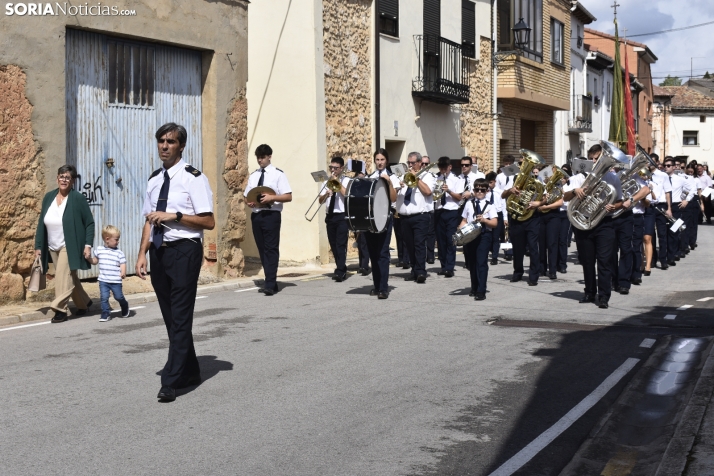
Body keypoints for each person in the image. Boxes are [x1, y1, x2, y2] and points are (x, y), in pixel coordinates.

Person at [136, 123, 215, 403]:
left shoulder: (193, 178)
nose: (164, 146)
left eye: (170, 141)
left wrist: (176, 216)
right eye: (161, 141)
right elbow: (149, 219)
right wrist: (142, 253)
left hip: (184, 250)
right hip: (159, 252)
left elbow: (208, 221)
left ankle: (171, 380)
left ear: (181, 146)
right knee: (171, 318)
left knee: (181, 316)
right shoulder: (154, 179)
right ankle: (191, 370)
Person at [563, 144, 623, 309]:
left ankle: (604, 296)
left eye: (598, 159)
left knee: (604, 261)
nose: (595, 162)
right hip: (583, 223)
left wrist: (614, 207)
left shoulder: (613, 178)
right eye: (592, 159)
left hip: (605, 223)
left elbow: (620, 201)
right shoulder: (580, 178)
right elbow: (565, 197)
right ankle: (589, 292)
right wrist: (576, 191)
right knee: (587, 261)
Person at [34, 164, 95, 323]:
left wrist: (88, 244)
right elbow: (41, 223)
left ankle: (60, 309)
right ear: (57, 178)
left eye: (68, 177)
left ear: (73, 181)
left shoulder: (77, 198)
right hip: (52, 246)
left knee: (62, 276)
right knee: (70, 277)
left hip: (71, 245)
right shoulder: (49, 197)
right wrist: (38, 247)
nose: (64, 180)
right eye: (61, 176)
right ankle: (84, 303)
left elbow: (89, 223)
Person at [245, 144, 293, 295]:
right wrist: (249, 202)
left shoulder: (278, 174)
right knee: (262, 249)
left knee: (271, 248)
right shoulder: (254, 175)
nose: (260, 161)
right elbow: (247, 195)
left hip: (271, 215)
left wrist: (272, 197)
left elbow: (288, 196)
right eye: (258, 158)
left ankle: (270, 283)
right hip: (257, 214)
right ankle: (270, 279)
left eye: (262, 157)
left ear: (269, 157)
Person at [501, 158, 543, 286]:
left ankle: (533, 276)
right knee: (518, 248)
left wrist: (538, 203)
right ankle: (517, 272)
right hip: (517, 218)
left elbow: (545, 198)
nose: (522, 166)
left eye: (524, 164)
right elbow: (503, 195)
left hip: (532, 218)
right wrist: (510, 191)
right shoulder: (515, 180)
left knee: (533, 247)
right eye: (521, 164)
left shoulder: (538, 181)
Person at [397, 151, 436, 283]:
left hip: (421, 216)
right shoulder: (403, 176)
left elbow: (428, 192)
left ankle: (421, 272)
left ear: (419, 163)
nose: (410, 165)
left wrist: (416, 178)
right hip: (405, 217)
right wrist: (399, 186)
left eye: (413, 163)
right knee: (409, 245)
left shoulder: (428, 176)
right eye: (409, 163)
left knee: (419, 244)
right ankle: (414, 270)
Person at [365, 149, 398, 298]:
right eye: (377, 160)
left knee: (383, 253)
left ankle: (384, 288)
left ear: (387, 161)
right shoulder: (370, 177)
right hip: (372, 219)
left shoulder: (392, 177)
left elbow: (394, 198)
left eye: (382, 160)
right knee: (373, 253)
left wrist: (389, 183)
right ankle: (376, 286)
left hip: (385, 217)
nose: (379, 162)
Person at [458, 178, 497, 300]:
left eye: (482, 190)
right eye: (477, 189)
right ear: (473, 190)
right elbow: (464, 220)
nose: (479, 192)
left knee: (481, 263)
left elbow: (495, 223)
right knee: (472, 263)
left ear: (487, 191)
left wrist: (485, 220)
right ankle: (474, 287)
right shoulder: (469, 203)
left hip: (484, 236)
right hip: (471, 236)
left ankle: (481, 290)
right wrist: (460, 231)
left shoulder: (490, 206)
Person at [318, 157, 351, 282]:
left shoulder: (346, 180)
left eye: (335, 168)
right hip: (330, 216)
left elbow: (347, 194)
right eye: (331, 167)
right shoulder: (326, 181)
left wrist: (337, 183)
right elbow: (320, 200)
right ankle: (341, 266)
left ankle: (340, 271)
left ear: (341, 168)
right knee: (333, 245)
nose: (333, 170)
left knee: (340, 244)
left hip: (342, 216)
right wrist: (327, 194)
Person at [89, 225, 129, 322]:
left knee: (118, 297)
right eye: (116, 239)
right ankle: (105, 313)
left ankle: (124, 305)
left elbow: (122, 263)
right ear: (107, 239)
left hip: (116, 280)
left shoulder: (119, 253)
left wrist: (123, 272)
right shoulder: (99, 250)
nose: (118, 241)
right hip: (103, 280)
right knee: (104, 297)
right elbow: (95, 261)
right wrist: (88, 259)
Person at [434, 156, 464, 278]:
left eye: (444, 168)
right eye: (441, 168)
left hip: (451, 212)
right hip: (439, 211)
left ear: (450, 167)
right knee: (440, 241)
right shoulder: (437, 178)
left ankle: (449, 268)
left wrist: (449, 191)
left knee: (450, 240)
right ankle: (443, 266)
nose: (442, 170)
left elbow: (459, 197)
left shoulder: (456, 180)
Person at [537, 168, 564, 280]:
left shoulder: (557, 186)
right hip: (540, 216)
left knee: (552, 243)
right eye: (548, 176)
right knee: (541, 243)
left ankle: (552, 270)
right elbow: (536, 199)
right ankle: (542, 268)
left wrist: (546, 206)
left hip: (553, 216)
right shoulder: (539, 185)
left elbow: (560, 202)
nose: (549, 178)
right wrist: (542, 200)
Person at [485, 171, 509, 265]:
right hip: (488, 215)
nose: (489, 185)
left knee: (496, 237)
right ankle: (487, 253)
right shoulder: (486, 192)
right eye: (488, 183)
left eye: (490, 182)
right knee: (488, 236)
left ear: (494, 182)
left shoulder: (500, 192)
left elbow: (503, 205)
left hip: (498, 214)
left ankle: (494, 257)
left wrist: (505, 218)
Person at [556, 164, 573, 274]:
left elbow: (569, 203)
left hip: (565, 214)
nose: (562, 178)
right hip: (555, 214)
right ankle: (554, 262)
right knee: (554, 240)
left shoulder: (570, 188)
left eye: (565, 176)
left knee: (563, 240)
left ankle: (562, 264)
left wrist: (563, 192)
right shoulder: (555, 186)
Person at [422, 155, 436, 265]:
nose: (424, 166)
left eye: (426, 164)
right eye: (422, 163)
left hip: (429, 208)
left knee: (430, 235)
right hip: (419, 210)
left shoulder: (432, 176)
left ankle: (430, 256)